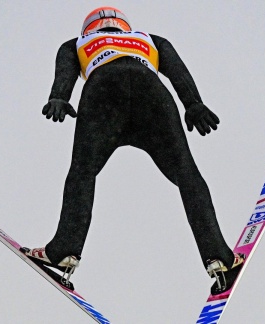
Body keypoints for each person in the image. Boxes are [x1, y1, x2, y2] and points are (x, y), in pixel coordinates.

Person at [23, 6, 244, 293]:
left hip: (103, 94)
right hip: (150, 94)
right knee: (187, 173)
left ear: (88, 29)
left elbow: (65, 71)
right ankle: (219, 257)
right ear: (125, 26)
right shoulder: (150, 39)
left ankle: (64, 250)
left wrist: (58, 97)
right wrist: (193, 104)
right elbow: (177, 70)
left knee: (82, 173)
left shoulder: (76, 44)